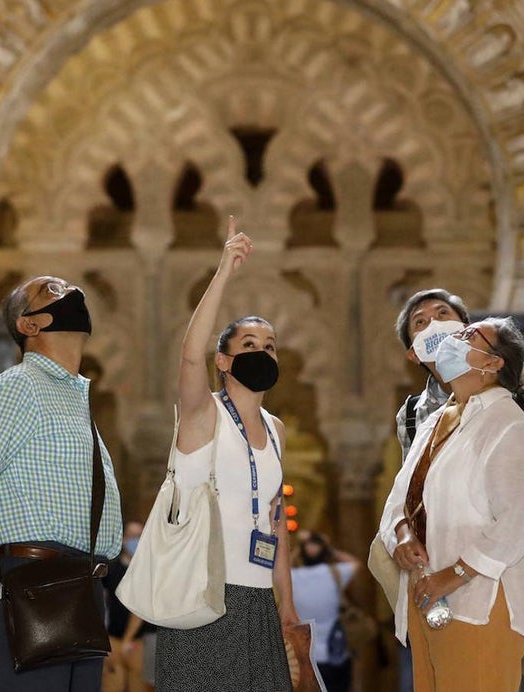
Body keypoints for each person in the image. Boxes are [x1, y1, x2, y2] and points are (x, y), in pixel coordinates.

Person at [394, 288, 524, 691]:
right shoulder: (415, 417)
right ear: (413, 353)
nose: (435, 326)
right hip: (455, 590)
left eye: (444, 314)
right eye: (420, 323)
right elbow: (411, 500)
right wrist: (405, 537)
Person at [0, 276, 124, 691]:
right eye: (53, 290)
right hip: (35, 584)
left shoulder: (71, 396)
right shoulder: (17, 386)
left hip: (80, 586)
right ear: (29, 325)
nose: (72, 292)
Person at [156, 216, 300, 691]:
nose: (263, 352)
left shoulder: (277, 429)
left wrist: (288, 604)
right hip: (203, 597)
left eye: (270, 346)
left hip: (260, 602)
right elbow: (189, 355)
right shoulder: (203, 416)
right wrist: (223, 271)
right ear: (224, 360)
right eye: (249, 344)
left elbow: (275, 522)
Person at [379, 318, 524, 690]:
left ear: (492, 363)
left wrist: (453, 576)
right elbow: (399, 498)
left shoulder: (506, 421)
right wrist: (402, 535)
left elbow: (517, 521)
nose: (453, 339)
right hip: (427, 595)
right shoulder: (436, 420)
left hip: (481, 602)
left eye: (468, 335)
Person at [290, 530, 361, 692]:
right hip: (336, 652)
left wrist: (300, 547)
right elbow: (355, 563)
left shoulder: (293, 578)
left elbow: (281, 569)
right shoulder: (334, 574)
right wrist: (328, 547)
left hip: (304, 656)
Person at [103, 521, 154, 692]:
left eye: (139, 536)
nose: (135, 541)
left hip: (139, 641)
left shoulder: (147, 570)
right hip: (113, 640)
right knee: (112, 685)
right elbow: (102, 605)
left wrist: (127, 641)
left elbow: (139, 609)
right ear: (123, 539)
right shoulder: (111, 570)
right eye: (131, 536)